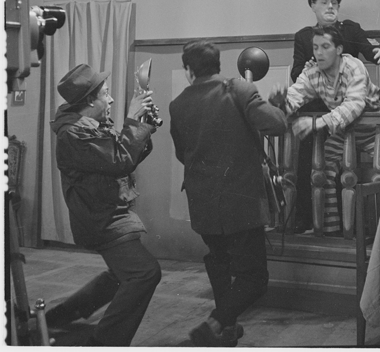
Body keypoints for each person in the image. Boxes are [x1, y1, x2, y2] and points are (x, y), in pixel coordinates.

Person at [170, 40, 287, 347]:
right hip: (241, 201)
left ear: (188, 70)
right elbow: (276, 124)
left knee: (218, 260)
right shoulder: (239, 89)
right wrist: (276, 104)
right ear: (218, 65)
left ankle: (227, 330)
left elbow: (183, 154)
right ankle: (216, 323)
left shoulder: (177, 104)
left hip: (202, 201)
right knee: (254, 278)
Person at [46, 64, 162, 346]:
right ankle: (103, 344)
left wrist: (144, 125)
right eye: (105, 94)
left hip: (107, 214)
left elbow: (123, 155)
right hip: (101, 220)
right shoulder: (74, 134)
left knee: (121, 275)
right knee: (144, 274)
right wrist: (134, 120)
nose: (110, 100)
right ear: (89, 101)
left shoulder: (88, 126)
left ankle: (56, 318)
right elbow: (119, 160)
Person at [270, 25, 380, 236]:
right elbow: (295, 96)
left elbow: (354, 105)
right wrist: (281, 102)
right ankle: (331, 231)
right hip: (342, 132)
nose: (319, 53)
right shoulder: (312, 73)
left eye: (325, 47)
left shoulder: (353, 66)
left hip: (374, 131)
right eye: (315, 47)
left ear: (339, 49)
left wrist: (318, 123)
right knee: (321, 174)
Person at [291, 0, 380, 233]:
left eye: (334, 3)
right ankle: (313, 221)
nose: (330, 6)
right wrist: (311, 68)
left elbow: (371, 50)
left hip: (352, 112)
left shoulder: (350, 31)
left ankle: (350, 226)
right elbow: (297, 76)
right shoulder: (303, 36)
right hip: (318, 109)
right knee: (311, 165)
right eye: (324, 2)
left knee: (350, 171)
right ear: (313, 5)